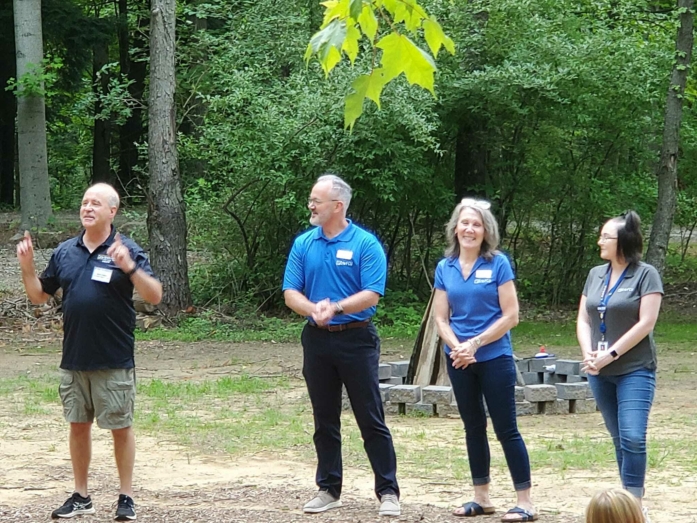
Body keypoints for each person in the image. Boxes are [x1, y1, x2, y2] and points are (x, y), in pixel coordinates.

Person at [16, 183, 162, 521]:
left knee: (120, 427)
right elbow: (41, 296)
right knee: (78, 425)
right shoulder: (66, 251)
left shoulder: (127, 249)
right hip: (75, 357)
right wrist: (27, 268)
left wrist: (128, 266)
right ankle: (81, 495)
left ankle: (126, 497)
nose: (87, 208)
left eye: (96, 203)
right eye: (84, 202)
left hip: (113, 357)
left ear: (113, 211)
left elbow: (154, 295)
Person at [282, 174, 400, 517]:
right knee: (324, 418)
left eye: (316, 201)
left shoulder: (366, 244)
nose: (311, 206)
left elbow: (372, 293)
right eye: (310, 199)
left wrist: (335, 307)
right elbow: (291, 292)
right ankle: (329, 488)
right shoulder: (304, 243)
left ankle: (388, 491)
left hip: (357, 339)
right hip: (317, 340)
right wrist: (313, 310)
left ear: (338, 206)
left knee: (370, 417)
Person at [433, 198, 537, 522]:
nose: (469, 229)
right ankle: (482, 497)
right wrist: (458, 348)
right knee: (473, 427)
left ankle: (526, 502)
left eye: (476, 224)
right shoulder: (444, 267)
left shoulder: (498, 264)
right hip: (460, 359)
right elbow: (441, 319)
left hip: (494, 357)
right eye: (464, 223)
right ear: (455, 228)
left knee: (507, 428)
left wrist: (475, 344)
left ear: (486, 231)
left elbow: (511, 316)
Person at [576, 211, 662, 518]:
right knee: (619, 439)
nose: (599, 241)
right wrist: (589, 354)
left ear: (623, 241)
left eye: (605, 237)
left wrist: (610, 354)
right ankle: (626, 506)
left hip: (635, 369)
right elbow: (584, 317)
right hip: (599, 371)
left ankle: (634, 507)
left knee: (633, 437)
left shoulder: (646, 274)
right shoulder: (595, 274)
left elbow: (646, 323)